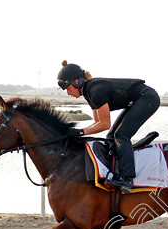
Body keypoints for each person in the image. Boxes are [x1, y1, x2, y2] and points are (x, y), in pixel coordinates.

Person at [57, 60, 160, 194]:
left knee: (121, 135)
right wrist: (79, 133)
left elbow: (105, 124)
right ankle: (116, 171)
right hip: (137, 100)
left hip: (147, 98)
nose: (67, 92)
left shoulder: (95, 90)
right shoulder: (88, 92)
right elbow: (97, 122)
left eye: (67, 88)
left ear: (77, 82)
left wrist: (80, 132)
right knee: (111, 137)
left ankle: (127, 178)